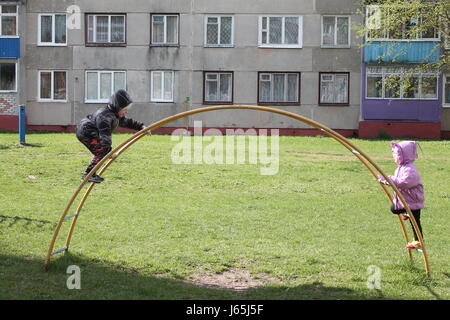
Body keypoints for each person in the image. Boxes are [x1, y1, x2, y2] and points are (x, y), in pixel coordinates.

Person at [76, 89, 150, 183]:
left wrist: (141, 127)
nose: (127, 111)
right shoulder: (104, 117)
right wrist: (108, 151)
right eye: (125, 108)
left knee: (102, 152)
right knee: (103, 151)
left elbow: (127, 122)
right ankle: (88, 174)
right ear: (117, 107)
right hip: (86, 132)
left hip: (89, 132)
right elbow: (105, 136)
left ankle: (90, 174)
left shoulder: (115, 115)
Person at [378, 141, 424, 249]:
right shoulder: (401, 167)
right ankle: (405, 212)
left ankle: (418, 241)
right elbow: (397, 182)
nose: (394, 157)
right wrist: (385, 180)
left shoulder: (410, 169)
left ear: (404, 155)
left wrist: (387, 178)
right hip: (406, 199)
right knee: (395, 209)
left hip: (413, 200)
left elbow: (403, 183)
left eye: (396, 155)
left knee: (415, 222)